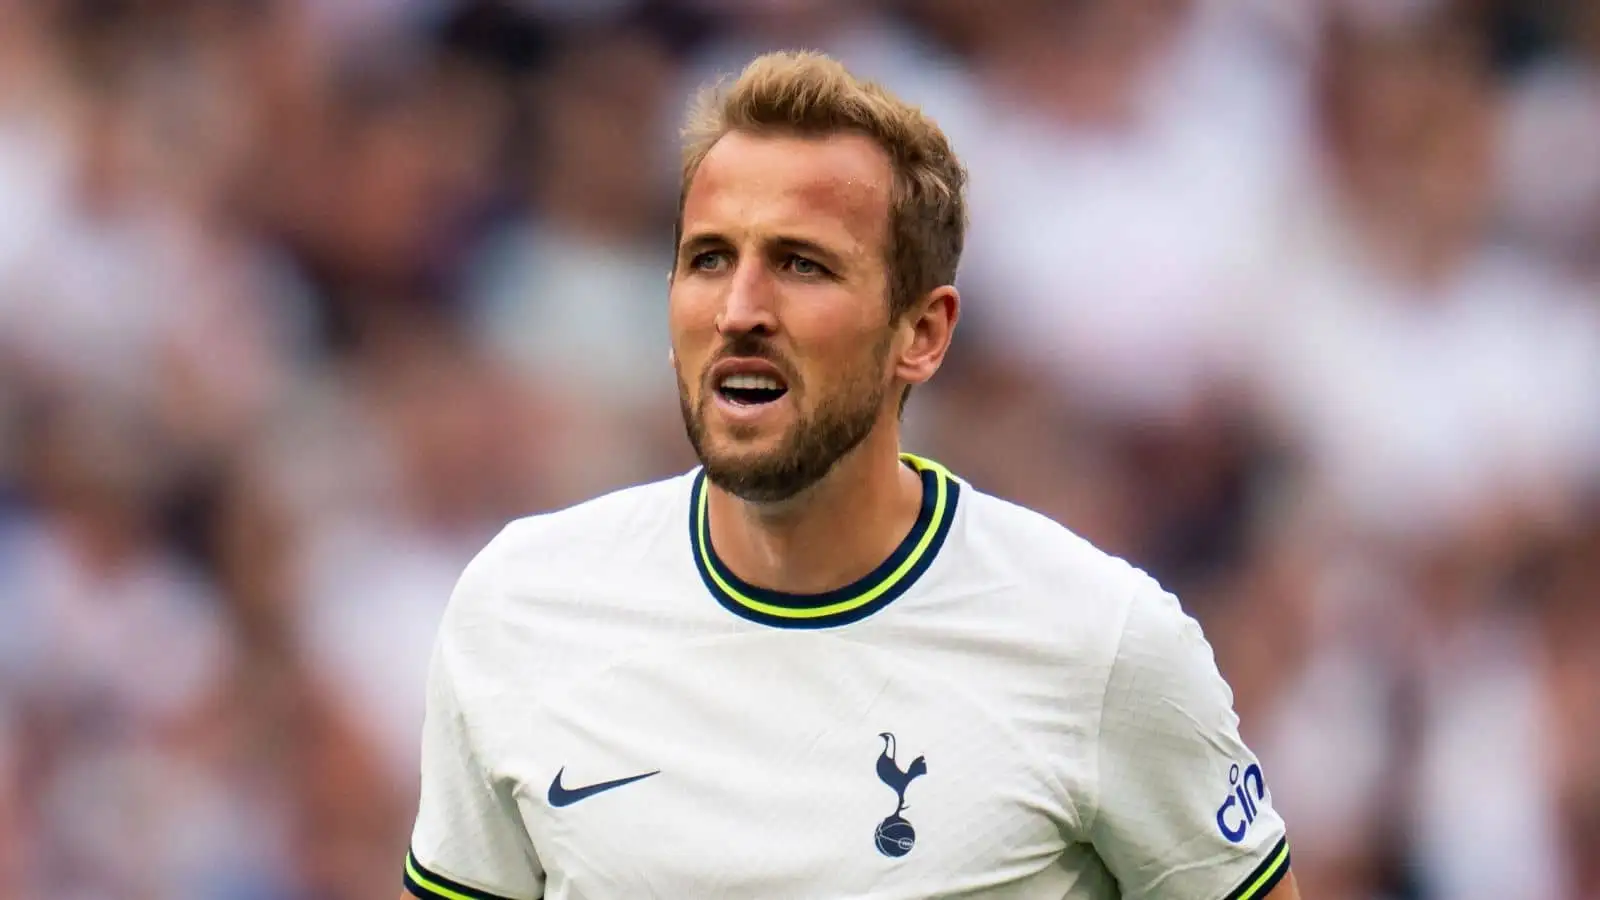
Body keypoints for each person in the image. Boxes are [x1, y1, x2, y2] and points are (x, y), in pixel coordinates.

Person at [400, 51, 1299, 900]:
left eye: (802, 264)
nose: (740, 310)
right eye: (709, 257)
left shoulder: (1101, 643)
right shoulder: (519, 608)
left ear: (923, 334)